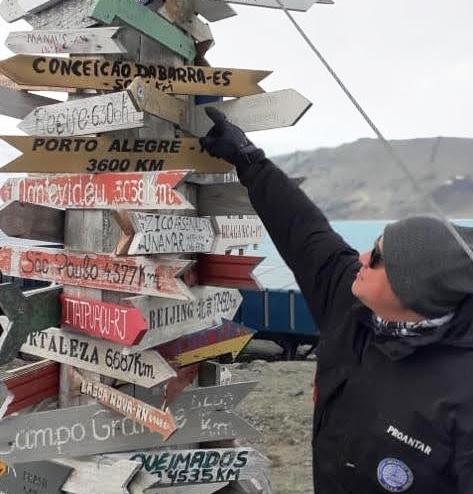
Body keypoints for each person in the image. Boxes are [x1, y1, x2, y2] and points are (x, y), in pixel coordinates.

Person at [200, 107, 473, 494]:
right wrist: (249, 159)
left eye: (378, 258)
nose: (360, 258)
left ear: (415, 290)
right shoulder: (350, 302)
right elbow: (304, 230)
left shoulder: (463, 390)